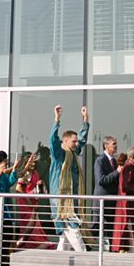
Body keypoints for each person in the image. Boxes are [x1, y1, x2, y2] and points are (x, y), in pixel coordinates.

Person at [47, 105, 91, 253]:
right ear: (65, 141)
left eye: (76, 141)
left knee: (64, 237)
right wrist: (57, 120)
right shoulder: (59, 155)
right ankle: (86, 260)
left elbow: (82, 141)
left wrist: (85, 120)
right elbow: (52, 140)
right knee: (73, 230)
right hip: (61, 201)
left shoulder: (72, 153)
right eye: (73, 141)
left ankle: (57, 265)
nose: (76, 144)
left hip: (71, 198)